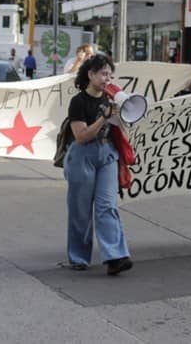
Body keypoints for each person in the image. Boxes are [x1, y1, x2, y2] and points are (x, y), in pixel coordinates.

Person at [63, 54, 132, 275]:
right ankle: (79, 257)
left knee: (107, 206)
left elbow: (121, 129)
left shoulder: (111, 99)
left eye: (110, 75)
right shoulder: (79, 102)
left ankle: (115, 257)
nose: (107, 79)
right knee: (80, 209)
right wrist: (103, 117)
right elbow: (81, 135)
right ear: (90, 74)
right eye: (103, 74)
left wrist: (120, 116)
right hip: (83, 155)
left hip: (107, 154)